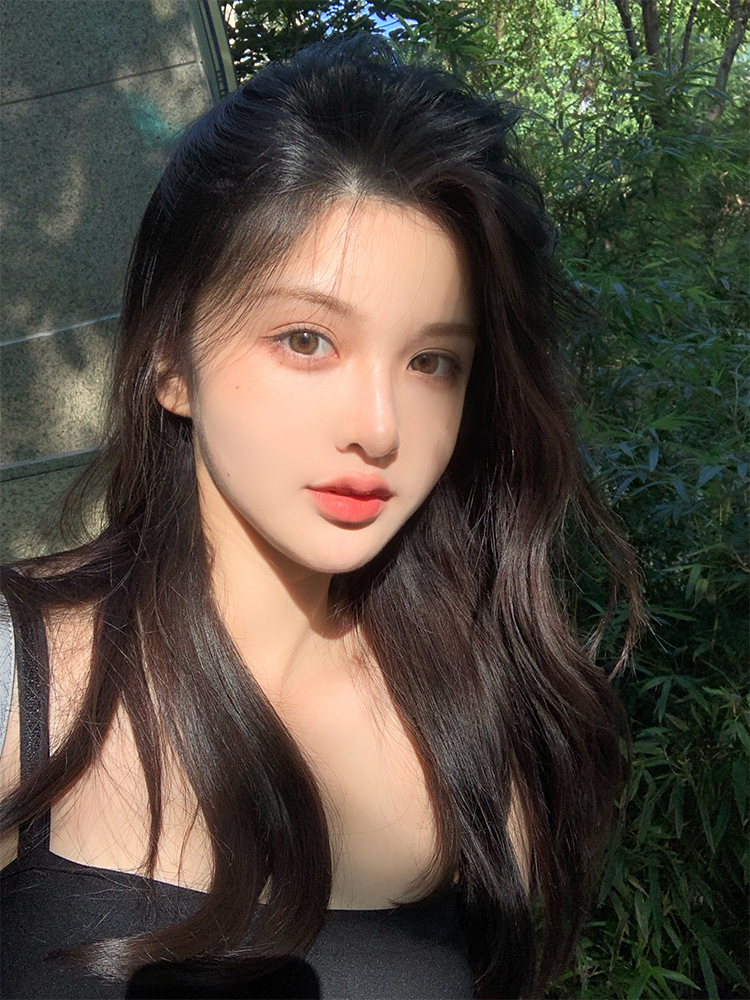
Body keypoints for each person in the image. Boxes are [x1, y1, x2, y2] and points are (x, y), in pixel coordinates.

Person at [0, 35, 642, 1000]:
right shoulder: (20, 682)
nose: (380, 428)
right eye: (307, 340)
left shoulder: (484, 720)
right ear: (171, 360)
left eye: (432, 362)